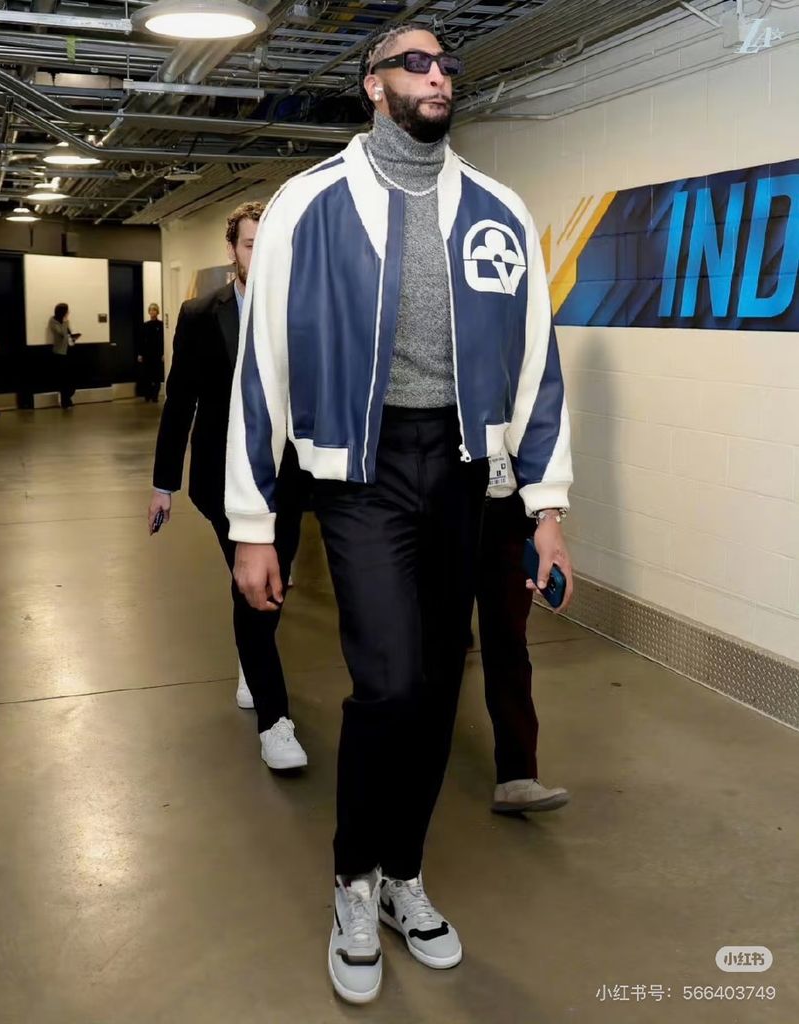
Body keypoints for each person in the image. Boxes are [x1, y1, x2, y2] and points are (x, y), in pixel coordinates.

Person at [226, 23, 574, 1005]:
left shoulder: (498, 210)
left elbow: (536, 368)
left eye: (445, 63)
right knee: (386, 682)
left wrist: (545, 505)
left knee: (433, 687)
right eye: (414, 63)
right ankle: (352, 878)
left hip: (462, 471)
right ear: (373, 86)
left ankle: (402, 876)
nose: (437, 75)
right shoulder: (308, 206)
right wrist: (253, 522)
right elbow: (262, 369)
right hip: (360, 470)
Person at [148, 201, 309, 772]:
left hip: (286, 479)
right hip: (221, 479)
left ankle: (251, 655)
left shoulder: (301, 310)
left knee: (273, 582)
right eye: (249, 244)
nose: (258, 255)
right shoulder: (200, 314)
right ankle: (275, 721)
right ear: (232, 250)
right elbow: (181, 402)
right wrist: (164, 483)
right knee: (252, 584)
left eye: (268, 245)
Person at [478, 458, 570, 815]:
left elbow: (541, 434)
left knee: (509, 640)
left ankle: (517, 775)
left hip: (508, 506)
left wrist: (549, 515)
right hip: (441, 500)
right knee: (435, 644)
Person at [48, 303, 78, 409]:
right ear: (62, 312)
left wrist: (74, 338)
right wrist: (65, 322)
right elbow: (61, 333)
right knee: (63, 379)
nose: (68, 313)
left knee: (70, 378)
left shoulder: (66, 322)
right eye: (66, 311)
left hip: (68, 352)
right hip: (59, 353)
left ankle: (67, 398)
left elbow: (68, 335)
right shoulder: (53, 321)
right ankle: (65, 401)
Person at [138, 302, 164, 402]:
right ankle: (147, 395)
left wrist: (163, 353)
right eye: (151, 310)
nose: (152, 312)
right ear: (149, 312)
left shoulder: (161, 325)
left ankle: (155, 396)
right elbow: (141, 340)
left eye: (154, 310)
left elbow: (162, 341)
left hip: (157, 354)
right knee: (147, 376)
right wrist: (140, 354)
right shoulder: (145, 325)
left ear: (157, 312)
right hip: (147, 354)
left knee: (157, 376)